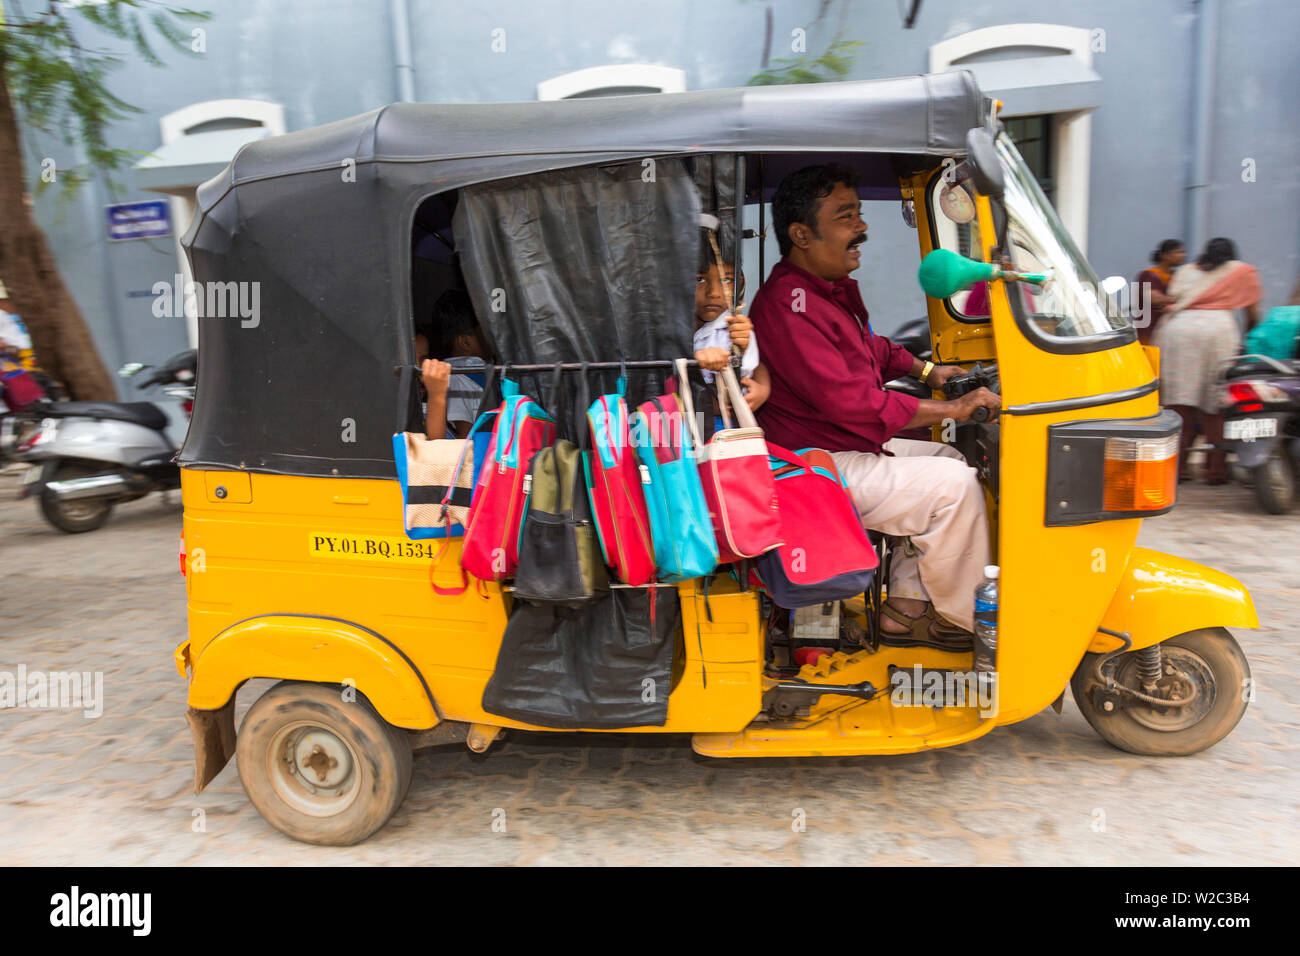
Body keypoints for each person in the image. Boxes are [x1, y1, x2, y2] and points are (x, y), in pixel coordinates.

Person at [750, 164, 999, 647]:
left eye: (858, 215)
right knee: (951, 487)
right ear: (802, 234)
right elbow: (853, 404)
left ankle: (905, 609)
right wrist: (954, 410)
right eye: (846, 217)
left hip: (834, 450)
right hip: (809, 467)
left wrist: (930, 373)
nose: (861, 228)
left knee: (948, 459)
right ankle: (963, 618)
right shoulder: (789, 306)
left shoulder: (826, 291)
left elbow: (874, 349)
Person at [1154, 237, 1262, 484]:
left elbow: (1173, 298)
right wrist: (1247, 338)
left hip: (1177, 331)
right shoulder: (1241, 271)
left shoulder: (1185, 271)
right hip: (1218, 331)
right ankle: (1215, 472)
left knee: (1178, 403)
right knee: (1217, 401)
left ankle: (1176, 470)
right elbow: (1253, 313)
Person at [691, 235, 770, 413]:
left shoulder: (734, 328)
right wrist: (695, 360)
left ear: (739, 284)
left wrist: (763, 389)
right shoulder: (667, 325)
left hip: (722, 430)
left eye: (727, 280)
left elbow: (752, 369)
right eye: (699, 280)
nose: (714, 293)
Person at [419, 289, 491, 440]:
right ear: (464, 341)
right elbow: (464, 437)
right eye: (487, 332)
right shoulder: (457, 377)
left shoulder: (482, 372)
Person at [1134, 239, 1186, 346]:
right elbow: (1154, 299)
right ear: (1165, 255)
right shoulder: (1148, 275)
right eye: (1179, 252)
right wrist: (1179, 300)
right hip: (1149, 331)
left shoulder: (1177, 275)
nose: (1183, 255)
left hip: (1170, 331)